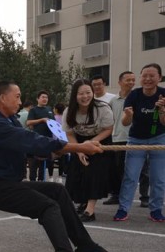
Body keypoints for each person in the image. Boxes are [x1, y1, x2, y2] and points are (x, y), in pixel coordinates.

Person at [0, 81, 117, 252]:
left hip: (7, 182)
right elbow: (32, 141)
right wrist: (81, 147)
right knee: (47, 206)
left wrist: (46, 151)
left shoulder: (9, 119)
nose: (20, 101)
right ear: (3, 98)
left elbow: (27, 144)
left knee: (57, 191)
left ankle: (84, 245)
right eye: (18, 96)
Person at [114, 63, 165, 222]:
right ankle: (123, 209)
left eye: (152, 76)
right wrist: (128, 114)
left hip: (159, 138)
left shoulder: (163, 95)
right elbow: (125, 122)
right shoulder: (134, 95)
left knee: (158, 177)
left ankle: (156, 209)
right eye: (145, 76)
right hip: (136, 139)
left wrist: (162, 111)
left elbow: (164, 123)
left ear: (159, 78)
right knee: (130, 176)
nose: (148, 79)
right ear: (141, 77)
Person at [62, 79, 114, 222]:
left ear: (93, 93)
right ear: (75, 95)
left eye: (88, 92)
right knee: (75, 173)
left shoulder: (102, 108)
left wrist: (90, 143)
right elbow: (69, 134)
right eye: (81, 94)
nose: (85, 97)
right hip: (78, 142)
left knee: (94, 174)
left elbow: (108, 129)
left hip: (100, 141)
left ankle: (90, 211)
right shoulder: (69, 111)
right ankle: (81, 203)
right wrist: (79, 150)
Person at [103, 71, 147, 206]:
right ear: (120, 82)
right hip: (118, 139)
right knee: (117, 169)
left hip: (137, 138)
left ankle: (145, 197)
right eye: (128, 80)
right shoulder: (112, 101)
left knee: (143, 169)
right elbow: (109, 121)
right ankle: (116, 195)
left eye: (133, 80)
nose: (131, 83)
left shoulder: (140, 98)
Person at [26, 90, 55, 181]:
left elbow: (53, 123)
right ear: (37, 99)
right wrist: (42, 120)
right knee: (34, 164)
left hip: (47, 141)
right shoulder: (33, 110)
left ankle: (42, 182)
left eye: (46, 97)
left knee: (44, 164)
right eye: (43, 97)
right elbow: (29, 122)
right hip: (36, 140)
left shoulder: (49, 110)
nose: (45, 99)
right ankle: (32, 183)